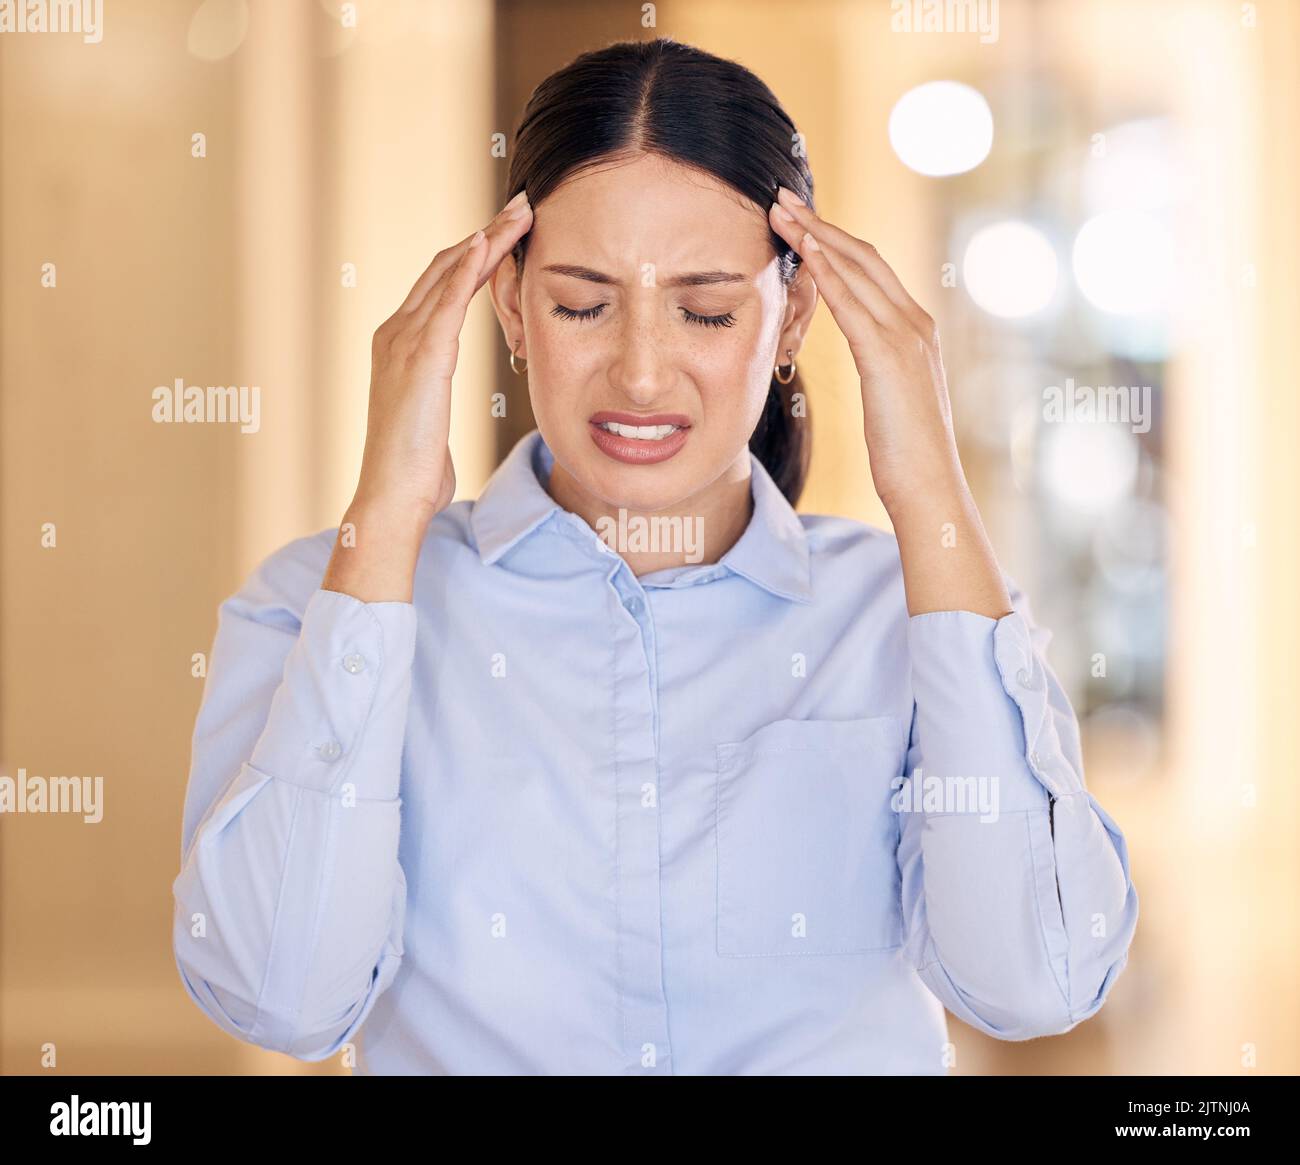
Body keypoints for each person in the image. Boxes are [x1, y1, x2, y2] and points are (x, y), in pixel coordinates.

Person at [172, 37, 1138, 1075]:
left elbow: (1030, 982)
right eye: (581, 303)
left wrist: (929, 491)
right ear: (507, 304)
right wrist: (387, 513)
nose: (638, 373)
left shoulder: (905, 616)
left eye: (706, 309)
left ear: (793, 313)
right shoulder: (319, 603)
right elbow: (282, 999)